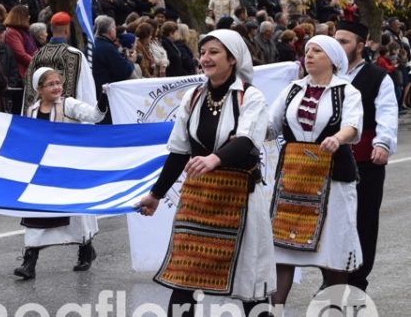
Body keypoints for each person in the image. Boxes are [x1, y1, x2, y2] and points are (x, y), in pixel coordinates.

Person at [136, 29, 276, 317]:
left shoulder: (250, 96)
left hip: (239, 197)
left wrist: (215, 158)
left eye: (214, 52)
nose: (205, 58)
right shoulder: (193, 96)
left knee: (248, 279)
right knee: (184, 277)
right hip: (199, 197)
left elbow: (248, 141)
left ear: (232, 58)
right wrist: (156, 195)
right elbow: (178, 151)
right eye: (203, 52)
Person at [267, 35, 364, 308]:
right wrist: (243, 132)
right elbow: (271, 125)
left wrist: (339, 138)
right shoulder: (292, 89)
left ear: (332, 60)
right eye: (307, 50)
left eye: (317, 51)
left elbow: (353, 125)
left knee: (334, 250)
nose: (308, 55)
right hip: (294, 178)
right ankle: (274, 312)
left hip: (333, 179)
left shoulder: (347, 91)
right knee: (282, 250)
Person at [14, 67, 107, 280]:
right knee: (36, 214)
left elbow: (94, 116)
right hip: (42, 172)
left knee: (77, 214)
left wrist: (104, 98)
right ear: (39, 89)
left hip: (69, 169)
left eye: (58, 83)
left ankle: (86, 249)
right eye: (50, 84)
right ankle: (30, 262)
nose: (56, 87)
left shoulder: (69, 105)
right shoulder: (31, 110)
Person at [334, 21, 398, 293]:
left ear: (360, 46)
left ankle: (357, 282)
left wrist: (382, 144)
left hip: (364, 161)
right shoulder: (323, 75)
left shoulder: (377, 77)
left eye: (345, 42)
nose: (338, 46)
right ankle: (333, 279)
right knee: (330, 223)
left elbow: (386, 113)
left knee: (363, 221)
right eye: (335, 40)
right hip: (327, 162)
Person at [22, 12, 97, 115]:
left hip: (40, 117)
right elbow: (86, 91)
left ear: (51, 29)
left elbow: (29, 89)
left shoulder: (37, 55)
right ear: (67, 30)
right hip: (66, 120)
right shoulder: (75, 55)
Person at [91, 15, 135, 124]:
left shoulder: (92, 45)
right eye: (114, 28)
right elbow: (123, 72)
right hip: (106, 96)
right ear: (110, 31)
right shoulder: (106, 48)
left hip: (95, 93)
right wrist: (130, 62)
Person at [4, 5, 38, 84]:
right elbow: (20, 54)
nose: (29, 17)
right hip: (21, 73)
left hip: (29, 70)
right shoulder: (12, 33)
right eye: (27, 15)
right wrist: (36, 63)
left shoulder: (25, 32)